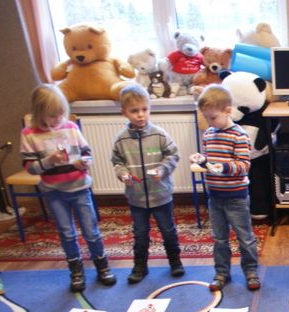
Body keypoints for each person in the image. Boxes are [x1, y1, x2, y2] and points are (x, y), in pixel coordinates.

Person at [20, 84, 116, 292]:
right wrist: (49, 161)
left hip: (80, 188)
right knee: (66, 233)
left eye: (61, 114)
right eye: (52, 115)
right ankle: (76, 271)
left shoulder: (70, 127)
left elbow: (86, 152)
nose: (58, 119)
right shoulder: (29, 134)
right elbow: (30, 168)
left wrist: (84, 162)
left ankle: (102, 266)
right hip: (54, 192)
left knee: (91, 231)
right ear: (39, 113)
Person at [191, 84, 261, 292]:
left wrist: (224, 167)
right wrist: (201, 160)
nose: (209, 122)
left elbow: (244, 165)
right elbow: (209, 162)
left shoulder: (239, 135)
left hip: (236, 196)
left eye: (212, 117)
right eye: (206, 118)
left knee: (244, 237)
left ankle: (251, 271)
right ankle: (221, 272)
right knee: (219, 238)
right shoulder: (208, 134)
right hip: (215, 196)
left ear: (228, 111)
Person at [111, 84, 183, 284]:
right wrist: (123, 174)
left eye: (145, 109)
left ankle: (175, 262)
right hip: (136, 197)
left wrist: (163, 169)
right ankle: (140, 266)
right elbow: (117, 162)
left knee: (168, 231)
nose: (141, 115)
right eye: (134, 111)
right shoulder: (121, 140)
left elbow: (173, 155)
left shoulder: (159, 134)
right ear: (124, 112)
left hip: (161, 194)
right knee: (140, 234)